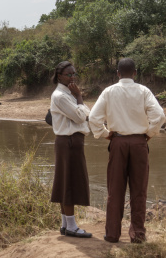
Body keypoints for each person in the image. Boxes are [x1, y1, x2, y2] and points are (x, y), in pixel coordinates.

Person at [89, 58, 165, 243]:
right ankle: (138, 235)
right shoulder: (143, 91)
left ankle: (112, 234)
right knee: (139, 190)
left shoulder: (109, 91)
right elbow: (160, 116)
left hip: (118, 142)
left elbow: (93, 118)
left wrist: (105, 134)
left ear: (117, 73)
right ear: (135, 73)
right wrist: (149, 134)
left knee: (115, 190)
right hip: (139, 143)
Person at [50, 61, 92, 238]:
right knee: (69, 183)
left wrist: (77, 99)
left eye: (74, 73)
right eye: (69, 74)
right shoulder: (61, 95)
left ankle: (65, 224)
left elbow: (85, 114)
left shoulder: (66, 94)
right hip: (69, 142)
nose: (73, 77)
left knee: (64, 181)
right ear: (59, 76)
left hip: (68, 141)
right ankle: (72, 227)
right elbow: (81, 116)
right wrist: (80, 96)